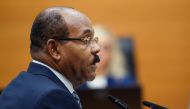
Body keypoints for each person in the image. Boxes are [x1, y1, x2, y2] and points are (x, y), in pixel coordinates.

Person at [0, 6, 100, 109]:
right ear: (54, 49)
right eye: (86, 39)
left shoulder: (18, 85)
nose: (97, 48)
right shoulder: (53, 97)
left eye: (94, 39)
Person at [78, 25, 135, 90]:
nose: (100, 52)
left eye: (106, 48)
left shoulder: (125, 84)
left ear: (112, 53)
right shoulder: (74, 85)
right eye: (95, 46)